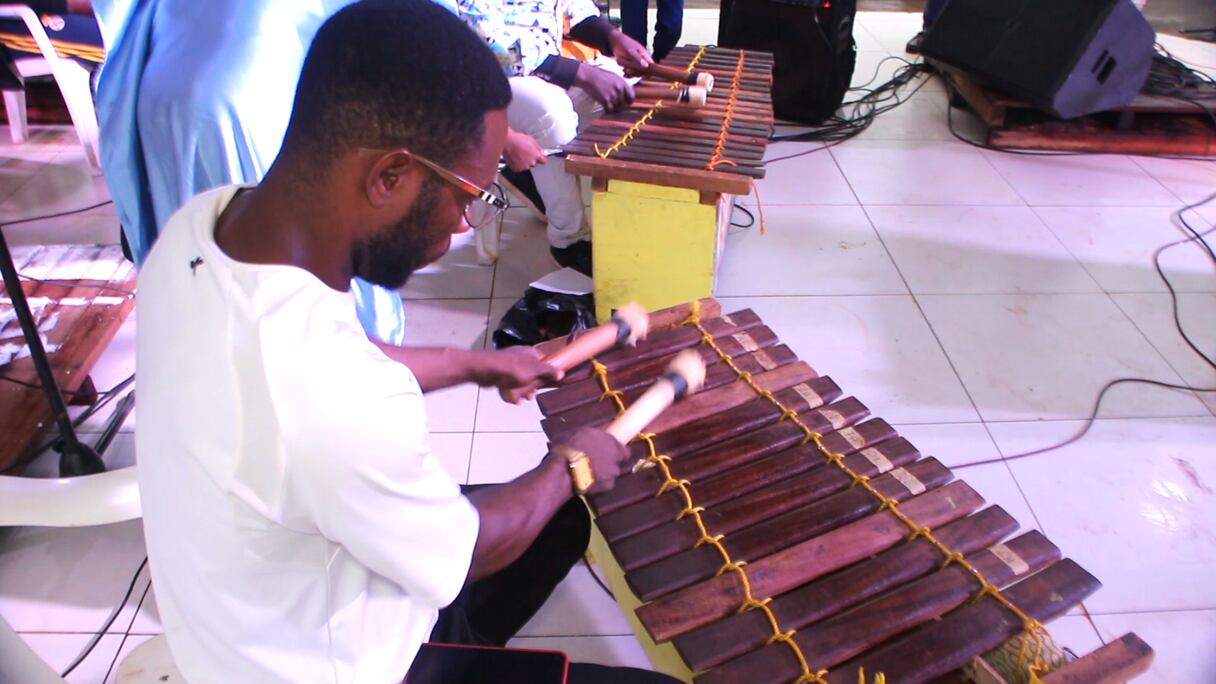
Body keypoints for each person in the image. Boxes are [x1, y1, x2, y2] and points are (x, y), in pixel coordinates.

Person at [135, 1, 678, 683]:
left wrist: (477, 364)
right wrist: (570, 465)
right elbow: (467, 547)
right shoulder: (336, 396)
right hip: (325, 668)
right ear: (389, 176)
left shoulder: (204, 227)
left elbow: (335, 359)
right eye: (467, 194)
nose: (463, 223)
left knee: (562, 523)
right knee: (559, 508)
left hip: (262, 606)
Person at [453, 0, 653, 276]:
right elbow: (490, 42)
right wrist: (581, 74)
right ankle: (569, 239)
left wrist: (611, 37)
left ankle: (533, 177)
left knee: (625, 93)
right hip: (482, 82)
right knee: (552, 114)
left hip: (544, 65)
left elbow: (572, 7)